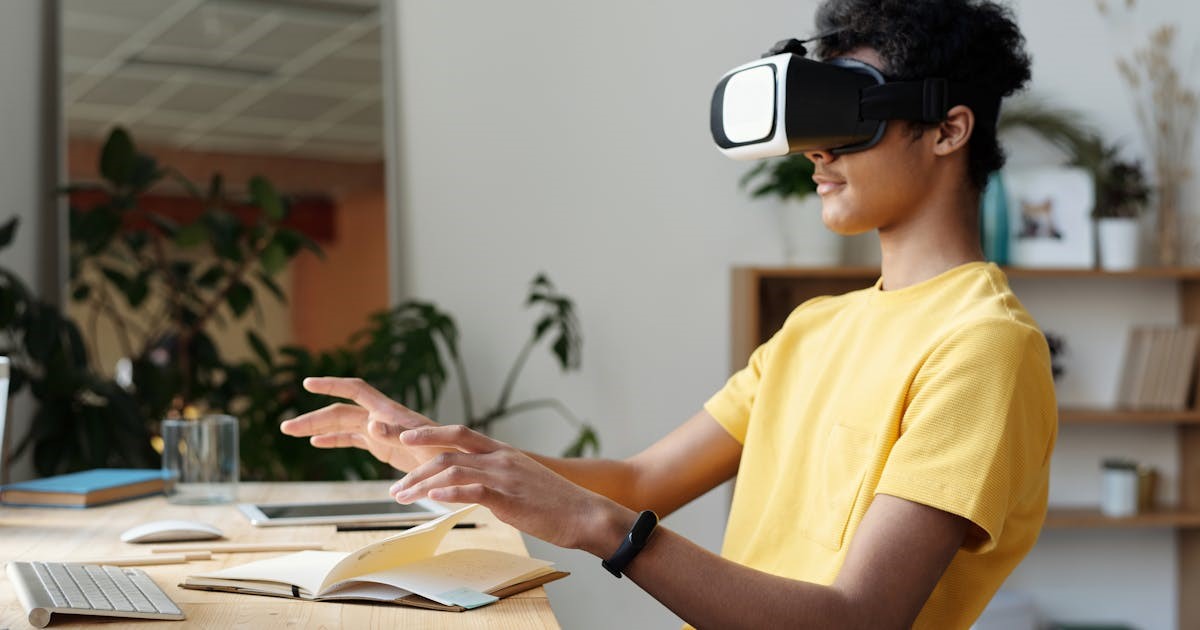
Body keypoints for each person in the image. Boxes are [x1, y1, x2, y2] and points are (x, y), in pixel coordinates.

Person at [279, 0, 1057, 627]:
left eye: (849, 117)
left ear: (948, 130)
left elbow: (861, 619)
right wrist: (452, 453)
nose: (816, 152)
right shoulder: (816, 327)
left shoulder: (983, 345)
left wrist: (599, 526)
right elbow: (640, 479)